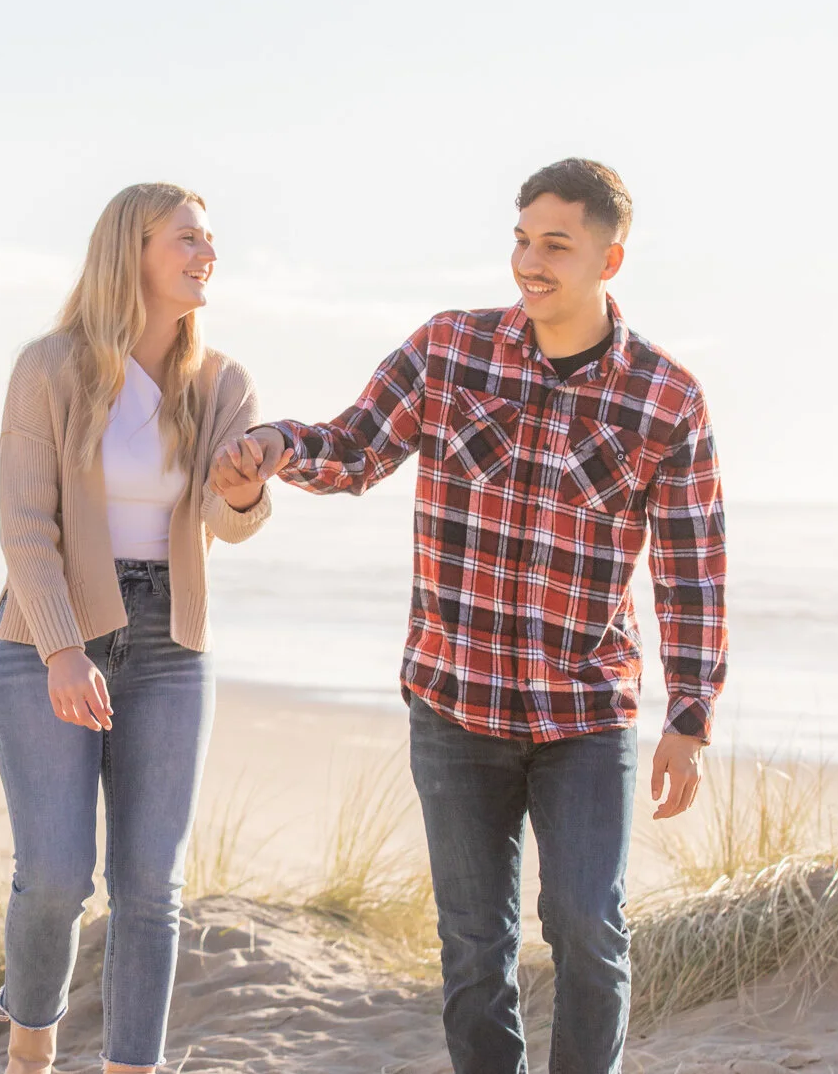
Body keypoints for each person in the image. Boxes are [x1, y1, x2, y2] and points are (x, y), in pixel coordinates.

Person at [209, 159, 727, 1074]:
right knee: (475, 951)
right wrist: (277, 445)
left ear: (610, 259)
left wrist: (691, 712)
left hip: (584, 713)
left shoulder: (665, 397)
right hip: (454, 704)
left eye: (555, 245)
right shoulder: (451, 349)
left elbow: (691, 566)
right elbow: (355, 446)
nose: (530, 261)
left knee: (587, 929)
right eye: (522, 238)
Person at [0, 182, 274, 1074]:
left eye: (210, 239)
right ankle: (30, 1046)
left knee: (152, 887)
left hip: (173, 645)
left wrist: (243, 489)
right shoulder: (49, 367)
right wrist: (64, 648)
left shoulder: (223, 379)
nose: (207, 252)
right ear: (133, 250)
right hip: (45, 636)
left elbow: (232, 524)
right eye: (187, 237)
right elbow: (26, 528)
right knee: (59, 877)